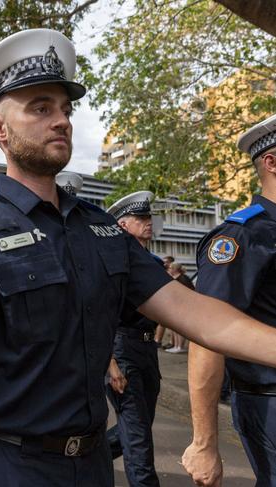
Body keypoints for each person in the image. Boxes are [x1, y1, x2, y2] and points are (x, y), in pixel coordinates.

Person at [0, 29, 276, 487]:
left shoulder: (98, 227)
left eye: (65, 109)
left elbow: (202, 317)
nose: (61, 121)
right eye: (41, 108)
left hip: (94, 463)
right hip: (8, 468)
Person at [182, 113, 276, 486]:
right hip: (268, 399)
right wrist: (204, 444)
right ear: (271, 162)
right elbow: (207, 335)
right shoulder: (243, 235)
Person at [105, 191, 163, 487]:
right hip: (122, 348)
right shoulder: (114, 262)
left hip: (147, 348)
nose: (148, 223)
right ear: (124, 225)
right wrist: (110, 363)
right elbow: (101, 314)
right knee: (138, 438)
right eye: (141, 219)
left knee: (137, 429)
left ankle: (82, 459)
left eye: (149, 218)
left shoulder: (152, 262)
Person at [163, 262, 192, 354]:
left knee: (179, 328)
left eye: (171, 268)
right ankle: (176, 345)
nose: (169, 269)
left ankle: (180, 346)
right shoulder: (173, 278)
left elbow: (189, 292)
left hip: (182, 306)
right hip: (174, 305)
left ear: (175, 269)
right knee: (174, 328)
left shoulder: (183, 278)